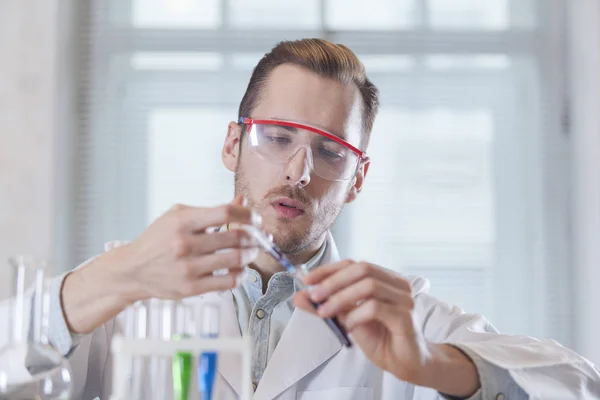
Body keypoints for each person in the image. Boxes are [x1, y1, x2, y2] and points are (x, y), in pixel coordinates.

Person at [5, 38, 600, 400]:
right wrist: (119, 274)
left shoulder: (400, 317)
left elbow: (576, 384)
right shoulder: (131, 290)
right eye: (278, 137)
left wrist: (434, 364)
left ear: (358, 178)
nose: (297, 170)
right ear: (232, 145)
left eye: (330, 152)